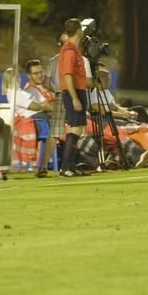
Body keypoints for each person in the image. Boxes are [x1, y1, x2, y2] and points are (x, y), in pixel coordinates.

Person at [58, 18, 89, 177]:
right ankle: (66, 167)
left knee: (77, 129)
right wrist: (74, 97)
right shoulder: (69, 50)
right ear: (78, 30)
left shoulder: (73, 49)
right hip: (74, 91)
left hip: (77, 91)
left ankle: (71, 165)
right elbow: (67, 75)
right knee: (75, 128)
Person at [23, 60, 56, 177]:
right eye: (36, 73)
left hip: (50, 119)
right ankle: (44, 166)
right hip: (40, 123)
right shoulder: (31, 90)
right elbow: (49, 107)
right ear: (29, 76)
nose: (40, 75)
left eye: (41, 72)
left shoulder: (45, 87)